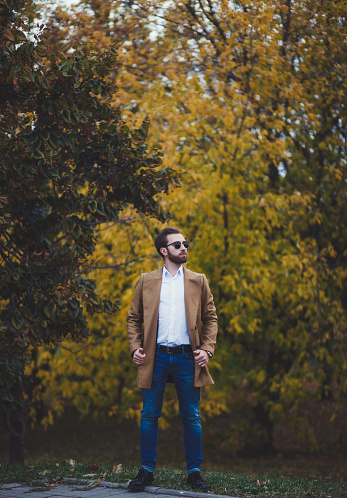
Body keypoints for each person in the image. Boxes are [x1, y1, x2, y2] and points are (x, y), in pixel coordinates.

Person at [127, 227, 218, 492]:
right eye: (177, 245)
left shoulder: (198, 280)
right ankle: (146, 471)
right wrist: (135, 348)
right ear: (163, 251)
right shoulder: (147, 280)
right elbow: (133, 318)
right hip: (154, 357)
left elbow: (211, 318)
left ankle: (194, 473)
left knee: (191, 415)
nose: (184, 248)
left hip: (187, 358)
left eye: (185, 243)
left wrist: (207, 349)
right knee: (149, 414)